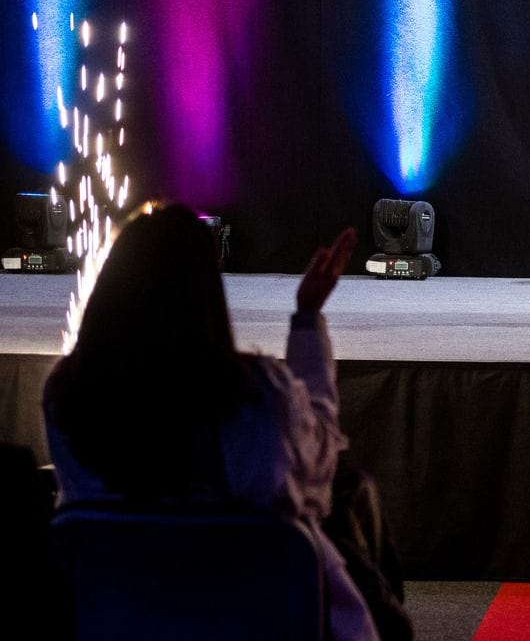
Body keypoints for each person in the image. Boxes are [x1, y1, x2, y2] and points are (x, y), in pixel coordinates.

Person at [42, 204, 402, 640]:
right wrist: (307, 318)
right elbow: (317, 477)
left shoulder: (67, 393)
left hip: (116, 618)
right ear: (207, 292)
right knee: (352, 497)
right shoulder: (256, 394)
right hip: (256, 616)